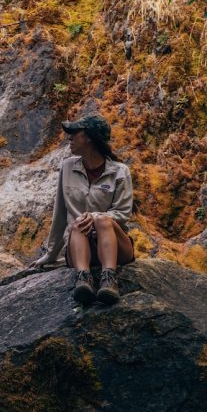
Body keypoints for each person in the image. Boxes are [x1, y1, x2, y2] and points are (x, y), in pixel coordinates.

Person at [28, 114, 135, 305]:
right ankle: (83, 279)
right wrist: (50, 255)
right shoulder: (67, 167)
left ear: (89, 138)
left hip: (116, 248)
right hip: (80, 248)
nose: (69, 138)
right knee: (76, 224)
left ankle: (109, 280)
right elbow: (60, 215)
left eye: (74, 133)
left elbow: (123, 212)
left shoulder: (120, 171)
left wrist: (94, 217)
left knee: (103, 220)